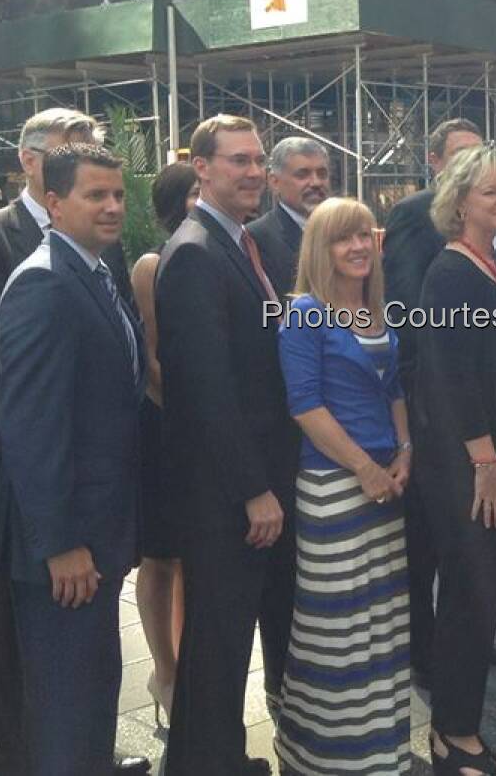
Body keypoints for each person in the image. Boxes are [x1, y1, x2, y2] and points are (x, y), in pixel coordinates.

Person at [0, 107, 147, 776]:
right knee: (66, 715)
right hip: (65, 547)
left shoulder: (90, 269)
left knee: (92, 697)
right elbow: (32, 427)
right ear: (54, 201)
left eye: (119, 195)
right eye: (95, 196)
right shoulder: (43, 281)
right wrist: (61, 542)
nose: (112, 208)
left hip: (98, 534)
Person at [157, 115, 298, 776]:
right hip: (225, 498)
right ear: (201, 168)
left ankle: (205, 760)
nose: (252, 172)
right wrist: (254, 489)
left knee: (221, 648)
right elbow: (207, 392)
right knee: (217, 649)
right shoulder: (194, 253)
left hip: (245, 485)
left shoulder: (238, 243)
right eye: (238, 160)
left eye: (257, 160)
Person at [275, 198, 412, 775]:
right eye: (342, 239)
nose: (358, 246)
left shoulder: (378, 308)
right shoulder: (304, 313)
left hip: (389, 487)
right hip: (336, 487)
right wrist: (364, 467)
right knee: (337, 625)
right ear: (319, 249)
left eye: (364, 235)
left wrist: (406, 452)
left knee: (384, 623)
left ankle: (381, 752)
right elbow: (306, 407)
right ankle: (326, 757)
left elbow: (397, 389)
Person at [418, 145, 496, 776]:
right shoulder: (451, 273)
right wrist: (484, 457)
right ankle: (452, 735)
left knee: (479, 597)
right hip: (465, 465)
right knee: (470, 597)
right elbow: (450, 376)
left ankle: (457, 725)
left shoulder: (493, 264)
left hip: (487, 457)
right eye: (491, 191)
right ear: (460, 201)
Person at [381, 117, 483, 686]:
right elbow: (406, 311)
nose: (471, 168)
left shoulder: (487, 220)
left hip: (474, 403)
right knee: (424, 542)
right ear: (435, 162)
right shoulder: (415, 213)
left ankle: (458, 636)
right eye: (460, 156)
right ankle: (422, 652)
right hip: (430, 404)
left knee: (463, 539)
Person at [128, 162, 199, 726]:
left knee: (195, 554)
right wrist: (184, 411)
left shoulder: (225, 252)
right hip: (164, 425)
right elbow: (150, 356)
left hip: (207, 428)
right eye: (196, 191)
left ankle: (190, 666)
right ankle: (164, 669)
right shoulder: (152, 264)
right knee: (161, 555)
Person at [248, 137, 331, 297]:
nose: (316, 182)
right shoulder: (256, 239)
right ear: (274, 182)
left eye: (322, 174)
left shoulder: (343, 234)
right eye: (303, 175)